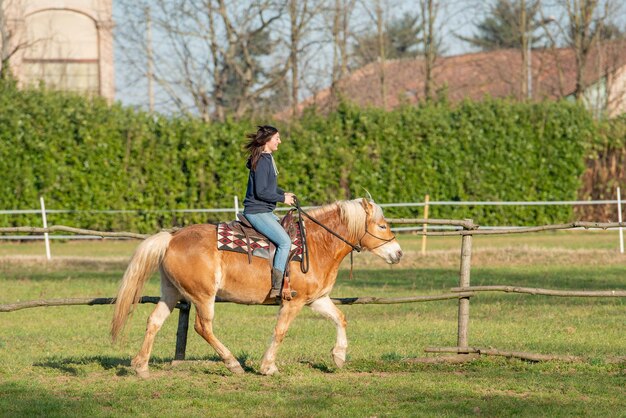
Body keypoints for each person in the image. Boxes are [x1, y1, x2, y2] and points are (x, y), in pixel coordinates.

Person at [243, 125, 296, 299]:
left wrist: (283, 193)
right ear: (267, 141)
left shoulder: (266, 158)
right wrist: (282, 200)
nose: (279, 141)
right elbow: (261, 192)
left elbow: (268, 187)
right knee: (285, 242)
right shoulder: (263, 160)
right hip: (257, 212)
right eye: (277, 138)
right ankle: (277, 287)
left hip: (264, 210)